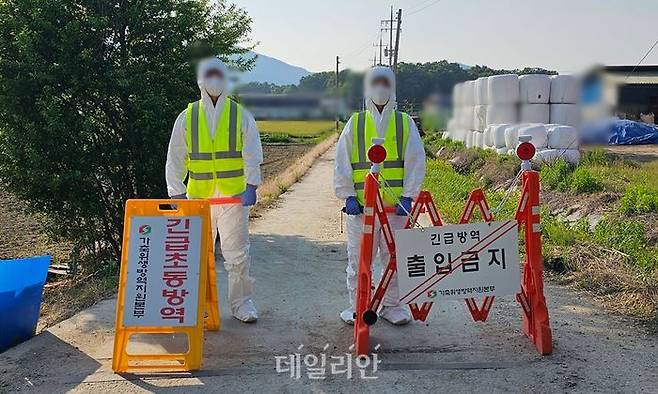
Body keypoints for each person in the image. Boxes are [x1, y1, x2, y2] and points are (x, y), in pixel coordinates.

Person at [166, 57, 263, 323]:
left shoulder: (239, 114)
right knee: (196, 255)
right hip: (199, 199)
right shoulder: (188, 116)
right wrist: (175, 191)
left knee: (237, 254)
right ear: (200, 79)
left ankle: (242, 304)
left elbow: (252, 153)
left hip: (234, 196)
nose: (214, 79)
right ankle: (199, 306)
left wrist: (252, 185)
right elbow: (175, 156)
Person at [334, 66, 426, 326]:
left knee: (393, 258)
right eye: (376, 81)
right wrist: (347, 196)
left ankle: (392, 306)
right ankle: (357, 306)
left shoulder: (404, 122)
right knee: (358, 258)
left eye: (386, 82)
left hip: (394, 209)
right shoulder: (356, 122)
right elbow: (341, 162)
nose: (381, 87)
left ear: (393, 86)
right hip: (362, 209)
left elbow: (416, 162)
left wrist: (409, 196)